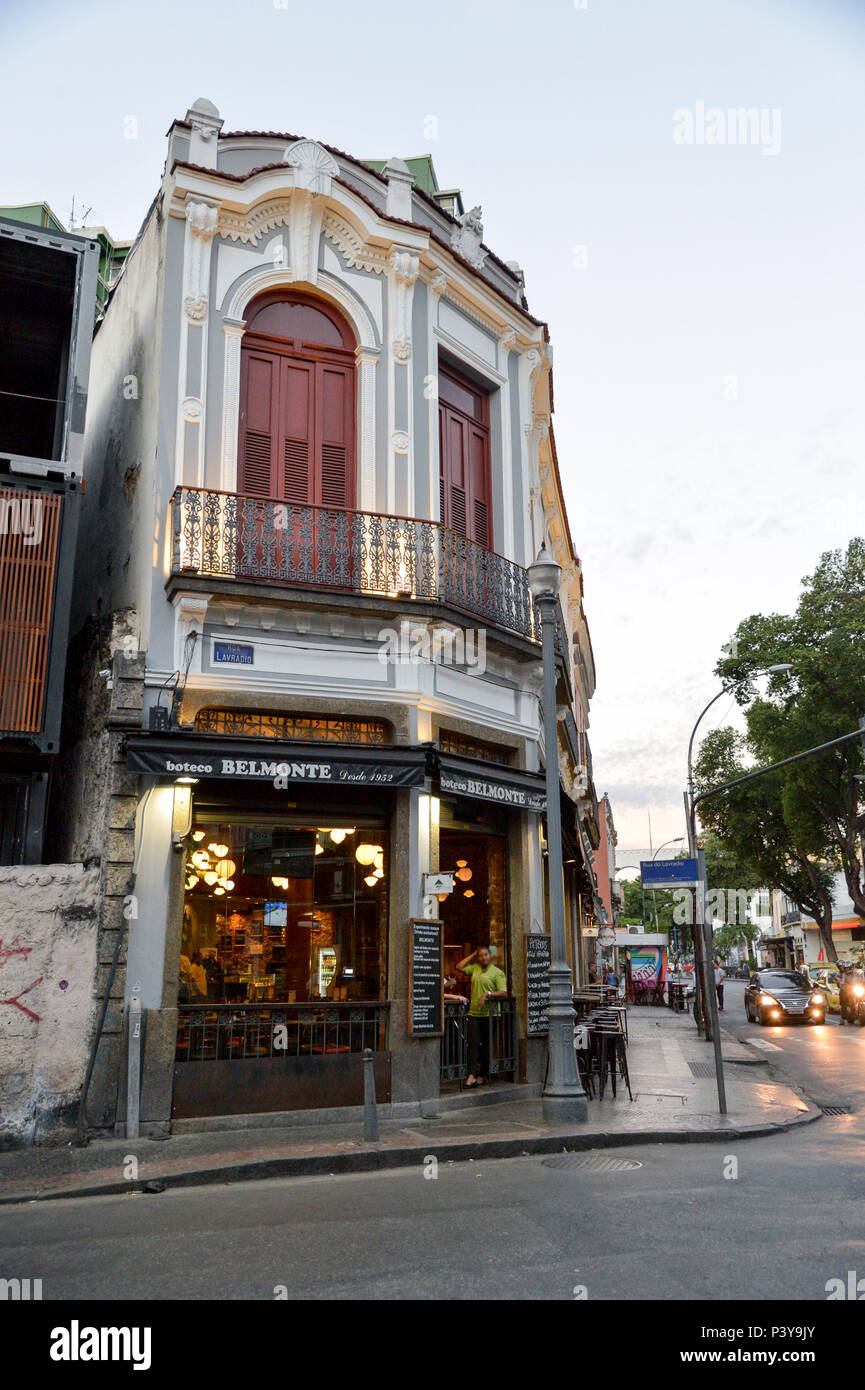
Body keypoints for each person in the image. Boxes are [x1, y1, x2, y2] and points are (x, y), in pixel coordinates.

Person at [456, 946, 507, 1087]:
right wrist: (473, 954)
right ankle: (471, 1075)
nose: (483, 958)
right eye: (480, 955)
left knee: (485, 1045)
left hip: (490, 1014)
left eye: (485, 955)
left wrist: (488, 994)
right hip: (474, 1013)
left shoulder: (497, 973)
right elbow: (459, 967)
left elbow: (503, 992)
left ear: (490, 956)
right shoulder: (475, 968)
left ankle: (482, 1074)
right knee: (472, 1043)